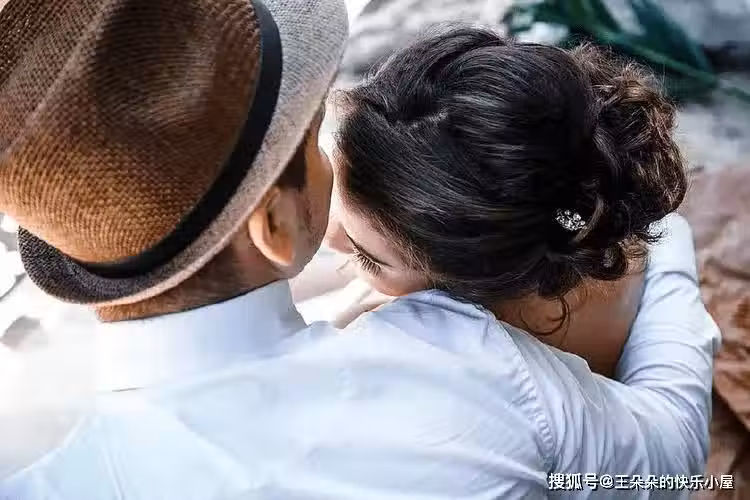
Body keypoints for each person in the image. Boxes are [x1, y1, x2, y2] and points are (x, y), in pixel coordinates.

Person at [0, 2, 718, 499]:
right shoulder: (473, 373)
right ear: (274, 225)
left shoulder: (44, 482)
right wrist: (669, 245)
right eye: (311, 138)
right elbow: (671, 457)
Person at [328, 27, 685, 377]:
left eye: (367, 257)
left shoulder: (476, 368)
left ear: (481, 287)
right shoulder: (587, 208)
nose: (330, 237)